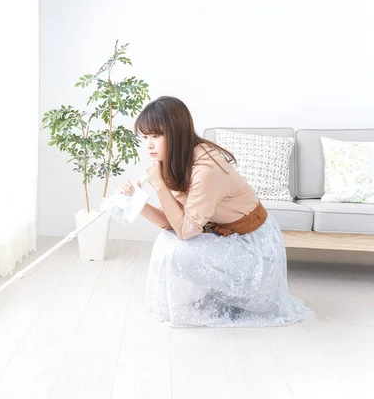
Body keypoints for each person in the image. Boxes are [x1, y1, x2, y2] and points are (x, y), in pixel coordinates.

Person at [118, 96, 313, 327]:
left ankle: (243, 298)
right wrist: (137, 203)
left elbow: (185, 231)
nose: (149, 145)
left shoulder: (206, 169)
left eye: (156, 136)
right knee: (165, 241)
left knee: (179, 250)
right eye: (146, 137)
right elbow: (173, 221)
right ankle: (224, 296)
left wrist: (159, 185)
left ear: (176, 132)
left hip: (252, 244)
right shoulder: (176, 161)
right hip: (224, 235)